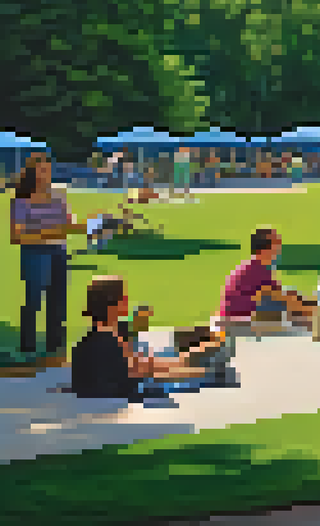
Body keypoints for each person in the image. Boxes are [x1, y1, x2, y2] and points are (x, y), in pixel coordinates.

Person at [10, 154, 97, 359]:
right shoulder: (22, 200)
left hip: (59, 252)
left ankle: (55, 347)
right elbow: (16, 236)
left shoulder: (59, 196)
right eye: (41, 170)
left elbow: (70, 224)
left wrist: (95, 224)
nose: (46, 174)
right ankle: (28, 346)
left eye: (48, 169)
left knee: (58, 301)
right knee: (33, 300)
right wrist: (54, 231)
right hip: (34, 253)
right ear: (32, 173)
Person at [72, 276, 212, 400]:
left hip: (114, 389)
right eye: (123, 298)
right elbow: (145, 371)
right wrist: (201, 373)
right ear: (113, 305)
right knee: (197, 381)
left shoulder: (86, 342)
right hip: (126, 394)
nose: (127, 300)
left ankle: (194, 358)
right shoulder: (111, 343)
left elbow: (142, 365)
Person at [216, 228, 314, 332]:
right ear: (265, 248)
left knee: (289, 298)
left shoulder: (257, 265)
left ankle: (312, 323)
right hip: (238, 319)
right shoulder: (256, 268)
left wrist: (303, 302)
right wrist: (309, 311)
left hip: (240, 315)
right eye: (276, 242)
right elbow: (277, 296)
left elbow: (281, 293)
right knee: (285, 304)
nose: (279, 247)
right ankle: (314, 325)